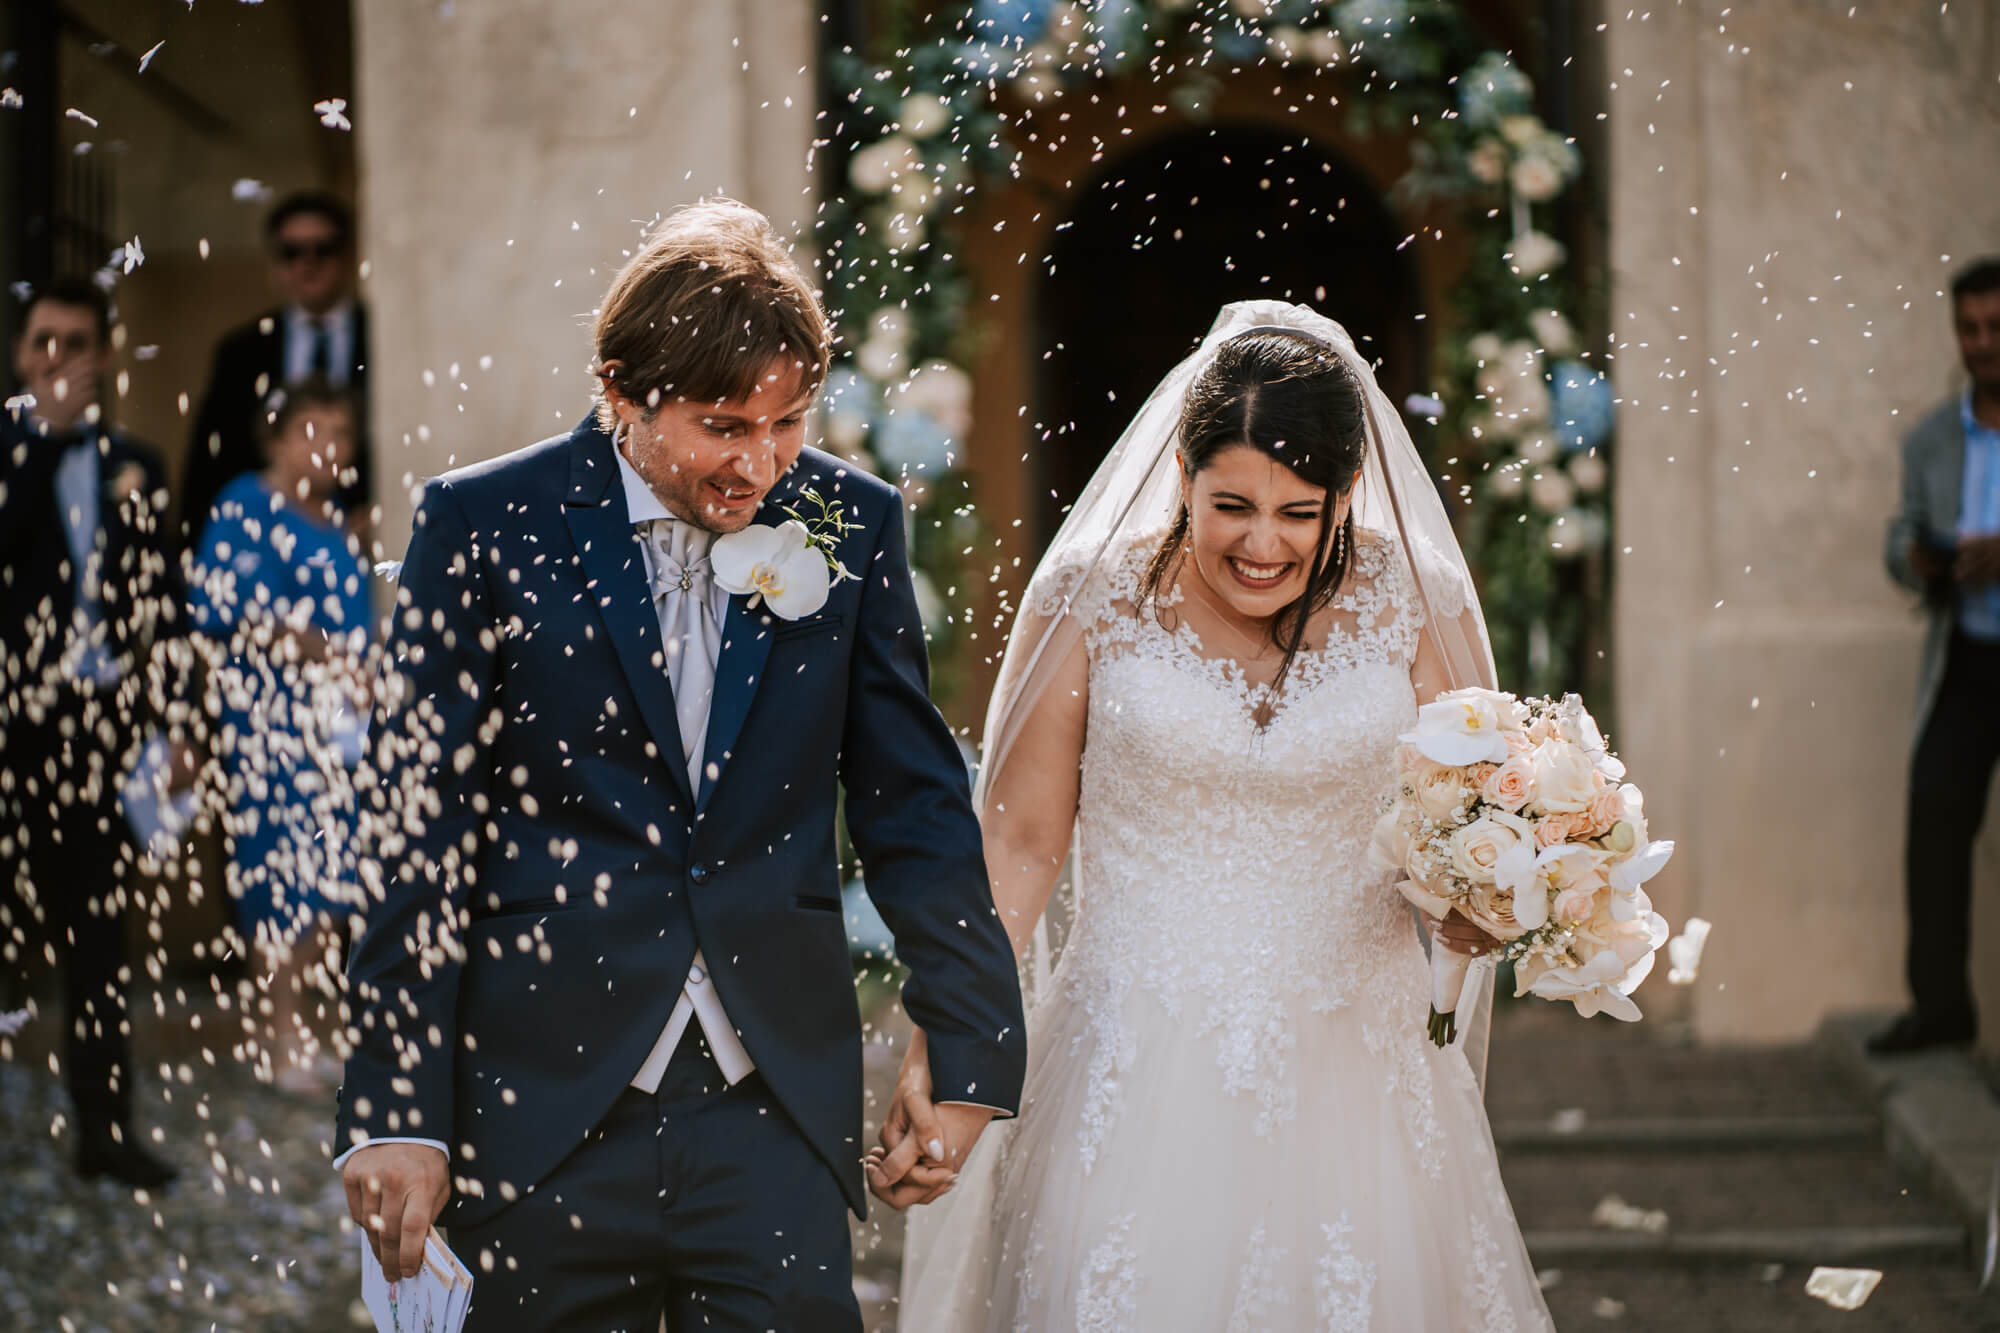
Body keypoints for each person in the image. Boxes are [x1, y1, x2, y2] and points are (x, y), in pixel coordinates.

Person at [333, 198, 1026, 1330]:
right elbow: (415, 830)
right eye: (722, 425)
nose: (762, 462)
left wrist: (968, 1052)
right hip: (539, 1107)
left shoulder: (846, 523)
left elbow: (914, 808)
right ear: (619, 390)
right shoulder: (482, 524)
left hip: (770, 1112)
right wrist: (395, 1106)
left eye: (790, 421)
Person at [891, 303, 1554, 1328]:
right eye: (1229, 504)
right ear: (1181, 476)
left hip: (1359, 1067)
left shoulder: (1412, 599)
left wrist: (1480, 903)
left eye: (1299, 511)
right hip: (1128, 1051)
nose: (1261, 542)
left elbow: (1477, 817)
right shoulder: (1089, 597)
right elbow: (1019, 844)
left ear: (1346, 493)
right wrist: (952, 1049)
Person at [0, 277, 180, 1187]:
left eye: (77, 342)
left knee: (96, 937)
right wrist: (44, 441)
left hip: (99, 729)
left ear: (105, 354)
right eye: (44, 343)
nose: (60, 359)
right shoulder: (7, 455)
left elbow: (166, 605)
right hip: (7, 725)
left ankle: (105, 1131)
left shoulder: (137, 459)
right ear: (25, 355)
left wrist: (179, 719)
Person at [187, 378, 372, 1097]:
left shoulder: (332, 520)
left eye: (340, 431)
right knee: (280, 890)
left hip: (340, 738)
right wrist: (326, 654)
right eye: (312, 429)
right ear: (277, 436)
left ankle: (317, 1034)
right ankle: (275, 1039)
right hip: (271, 733)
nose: (329, 446)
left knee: (331, 889)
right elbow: (227, 610)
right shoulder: (243, 503)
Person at [1873, 257, 2000, 1056]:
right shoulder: (1928, 438)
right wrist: (1919, 558)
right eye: (1970, 329)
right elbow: (1900, 534)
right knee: (1935, 823)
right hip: (1966, 655)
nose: (1983, 343)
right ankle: (1941, 1008)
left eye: (1995, 328)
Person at [183, 191, 371, 539]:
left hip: (367, 540)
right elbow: (211, 459)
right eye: (292, 252)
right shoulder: (241, 350)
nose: (308, 263)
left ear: (347, 256)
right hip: (265, 534)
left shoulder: (380, 337)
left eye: (323, 249)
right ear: (275, 264)